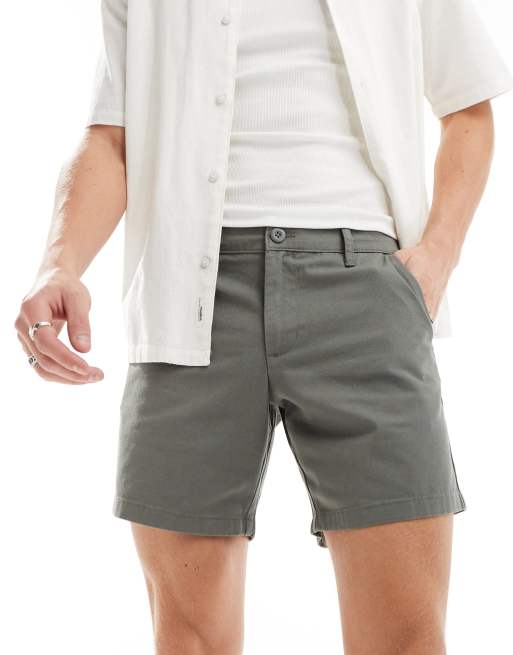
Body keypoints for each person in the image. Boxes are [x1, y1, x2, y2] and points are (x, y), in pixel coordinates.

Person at [14, 0, 512, 652]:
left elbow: (467, 104)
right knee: (189, 639)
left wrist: (436, 258)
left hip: (365, 287)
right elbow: (111, 136)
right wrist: (60, 264)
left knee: (406, 639)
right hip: (187, 299)